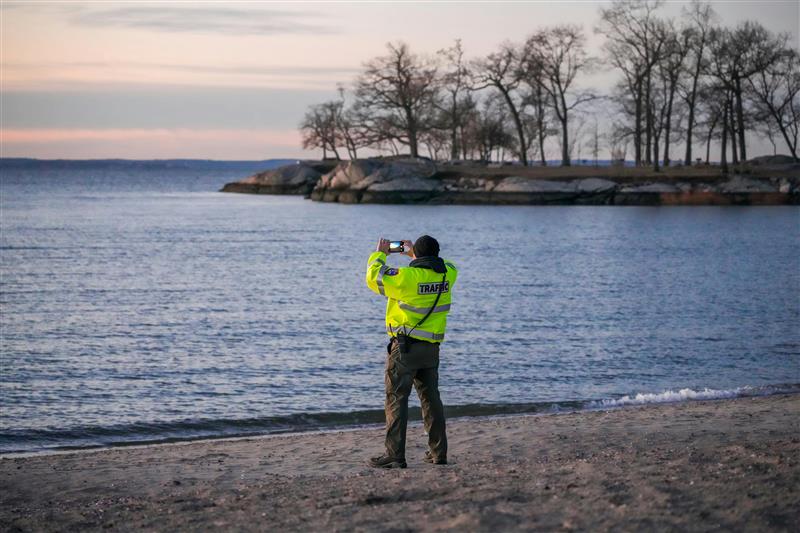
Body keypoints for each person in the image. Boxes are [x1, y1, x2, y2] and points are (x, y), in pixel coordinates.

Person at [365, 235, 458, 468]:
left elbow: (373, 277)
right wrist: (413, 254)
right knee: (431, 399)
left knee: (396, 398)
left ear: (418, 253)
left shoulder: (407, 277)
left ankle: (395, 454)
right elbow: (447, 264)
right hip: (431, 349)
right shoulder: (448, 274)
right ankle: (439, 452)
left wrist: (380, 253)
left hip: (406, 349)